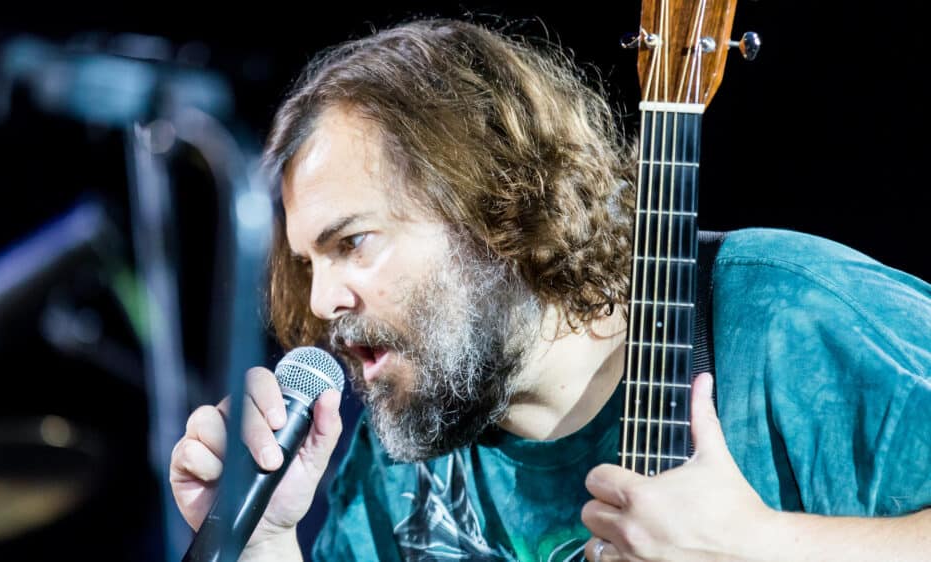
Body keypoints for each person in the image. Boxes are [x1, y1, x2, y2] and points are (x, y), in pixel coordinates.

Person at [169, 18, 931, 561]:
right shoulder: (399, 458)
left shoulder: (787, 314)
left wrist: (765, 548)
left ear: (490, 207)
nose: (324, 302)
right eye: (308, 264)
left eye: (352, 243)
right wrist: (266, 543)